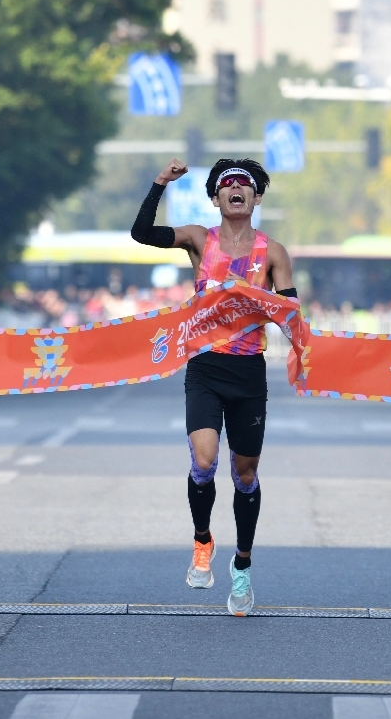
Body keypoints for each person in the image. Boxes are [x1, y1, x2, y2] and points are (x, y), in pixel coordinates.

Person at [131, 156, 295, 616]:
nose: (236, 188)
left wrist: (258, 298)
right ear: (217, 198)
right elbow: (142, 234)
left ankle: (242, 566)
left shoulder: (273, 253)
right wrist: (160, 182)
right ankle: (202, 539)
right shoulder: (199, 240)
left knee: (245, 476)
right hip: (204, 367)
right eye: (227, 184)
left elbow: (290, 313)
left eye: (245, 184)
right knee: (203, 463)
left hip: (249, 374)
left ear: (255, 198)